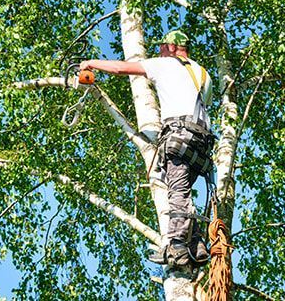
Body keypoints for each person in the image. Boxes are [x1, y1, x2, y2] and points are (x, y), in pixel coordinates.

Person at [80, 30, 213, 267]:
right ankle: (197, 244)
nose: (159, 51)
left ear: (172, 47)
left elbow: (122, 69)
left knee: (177, 192)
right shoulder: (203, 74)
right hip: (202, 143)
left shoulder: (166, 64)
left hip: (179, 137)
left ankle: (177, 247)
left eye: (162, 47)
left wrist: (91, 63)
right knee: (183, 191)